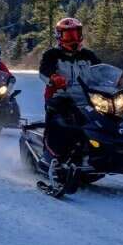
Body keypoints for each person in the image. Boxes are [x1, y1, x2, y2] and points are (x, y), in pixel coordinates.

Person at [39, 17, 100, 160]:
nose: (73, 38)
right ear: (59, 36)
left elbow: (100, 70)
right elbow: (44, 71)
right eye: (68, 35)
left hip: (87, 97)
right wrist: (53, 78)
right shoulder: (52, 55)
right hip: (60, 96)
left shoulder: (88, 55)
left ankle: (104, 151)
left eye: (76, 34)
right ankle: (49, 154)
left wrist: (114, 81)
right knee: (60, 121)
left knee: (106, 117)